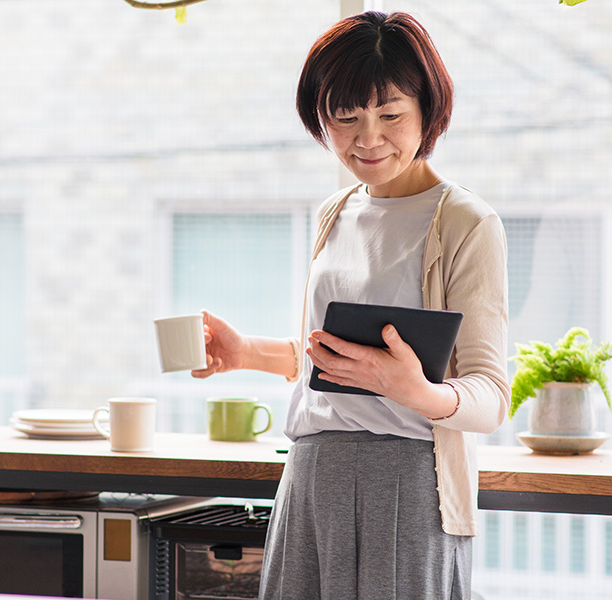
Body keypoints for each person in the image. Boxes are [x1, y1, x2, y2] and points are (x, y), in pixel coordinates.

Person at [192, 11, 509, 600]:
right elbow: (341, 360)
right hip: (310, 476)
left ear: (429, 110)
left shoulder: (466, 222)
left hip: (407, 482)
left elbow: (490, 396)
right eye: (345, 117)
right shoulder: (334, 212)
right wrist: (245, 353)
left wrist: (415, 391)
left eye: (390, 115)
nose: (368, 138)